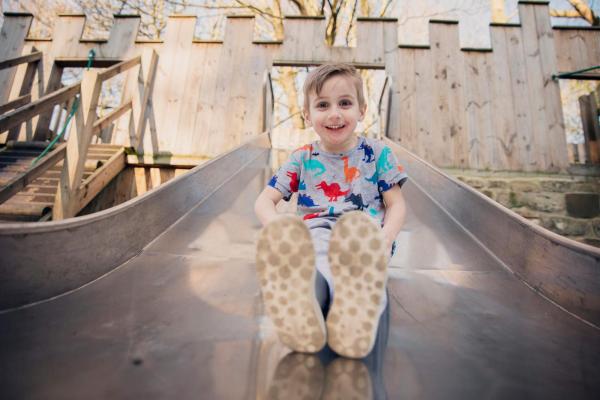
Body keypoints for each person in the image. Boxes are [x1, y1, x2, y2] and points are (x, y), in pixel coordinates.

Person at [254, 63, 407, 359]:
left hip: (364, 236)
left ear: (362, 110)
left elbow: (396, 204)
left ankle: (355, 314)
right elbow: (263, 201)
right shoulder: (302, 158)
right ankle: (303, 305)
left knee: (363, 270)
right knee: (318, 265)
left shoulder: (378, 154)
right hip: (317, 231)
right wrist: (278, 231)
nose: (335, 113)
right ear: (307, 114)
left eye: (345, 103)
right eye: (323, 105)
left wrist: (386, 237)